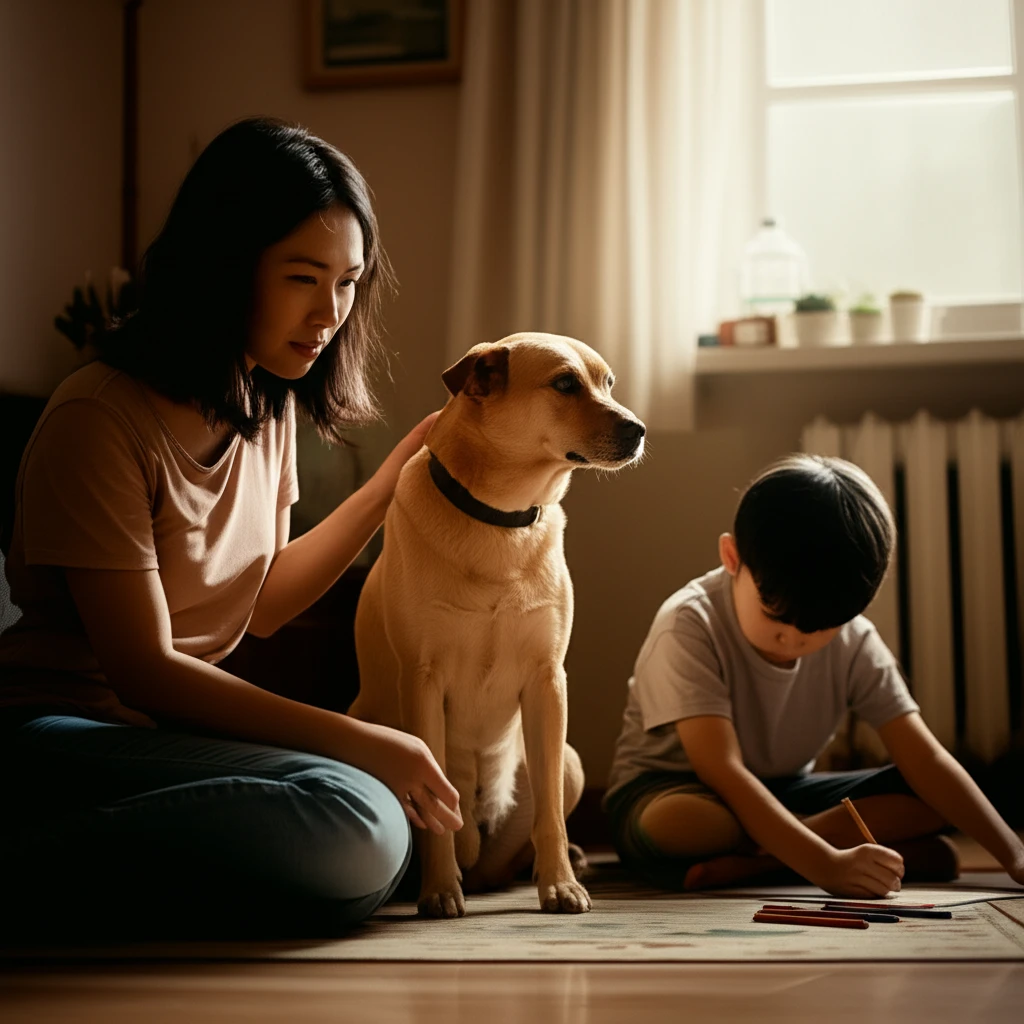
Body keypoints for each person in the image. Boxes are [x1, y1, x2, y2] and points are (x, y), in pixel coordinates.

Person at [0, 117, 462, 939]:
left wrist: (393, 486)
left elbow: (263, 603)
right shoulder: (99, 417)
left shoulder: (268, 400)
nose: (329, 313)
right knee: (358, 822)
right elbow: (146, 671)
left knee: (368, 834)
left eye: (349, 282)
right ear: (225, 265)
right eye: (302, 276)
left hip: (161, 741)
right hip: (57, 734)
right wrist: (367, 740)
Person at [604, 455, 1024, 898]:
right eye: (775, 616)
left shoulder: (854, 639)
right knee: (681, 824)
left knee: (927, 793)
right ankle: (798, 849)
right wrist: (827, 866)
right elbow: (722, 771)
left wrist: (1013, 853)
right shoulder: (689, 624)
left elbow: (925, 758)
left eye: (821, 628)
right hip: (675, 791)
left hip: (786, 794)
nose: (794, 640)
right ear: (732, 557)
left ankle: (757, 863)